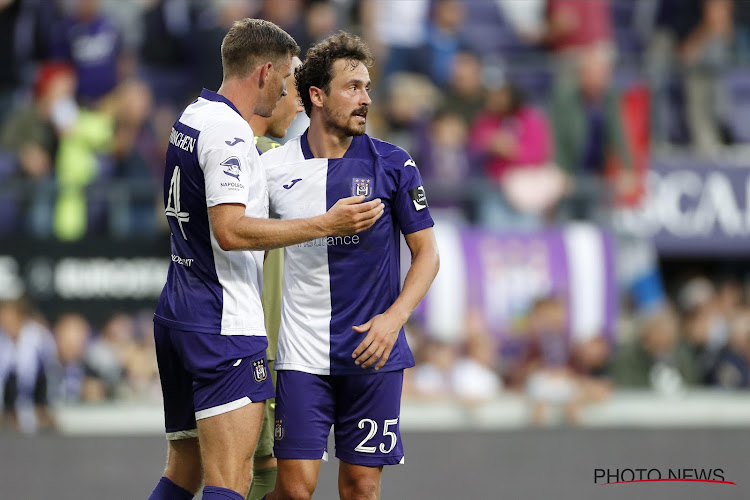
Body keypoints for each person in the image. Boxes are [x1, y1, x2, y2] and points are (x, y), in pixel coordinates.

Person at [149, 20, 384, 500]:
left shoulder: (191, 118)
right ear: (265, 73)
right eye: (289, 82)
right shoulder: (232, 136)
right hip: (222, 321)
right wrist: (326, 224)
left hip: (178, 308)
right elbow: (230, 230)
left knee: (184, 469)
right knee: (232, 479)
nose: (294, 98)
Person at [262, 32, 440, 500]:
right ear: (316, 96)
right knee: (295, 490)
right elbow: (241, 236)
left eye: (367, 87)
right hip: (303, 354)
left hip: (374, 354)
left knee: (361, 486)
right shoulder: (274, 170)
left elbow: (428, 254)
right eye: (352, 88)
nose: (366, 98)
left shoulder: (394, 164)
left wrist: (393, 320)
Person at [245, 55, 304, 500]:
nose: (300, 106)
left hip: (268, 343)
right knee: (251, 469)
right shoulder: (262, 157)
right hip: (256, 342)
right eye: (296, 91)